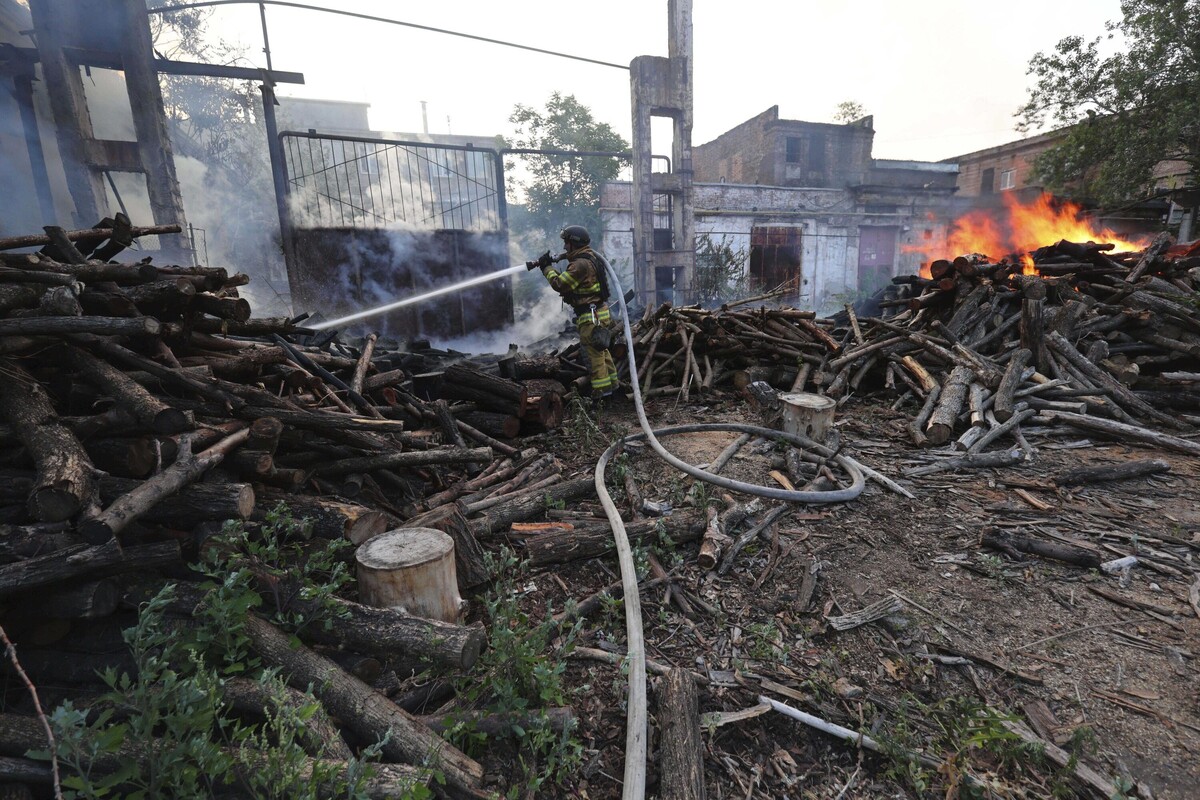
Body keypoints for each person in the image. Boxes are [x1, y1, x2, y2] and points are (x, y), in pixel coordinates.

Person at [527, 225, 620, 400]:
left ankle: (602, 396)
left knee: (593, 356)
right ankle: (614, 388)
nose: (564, 246)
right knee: (602, 352)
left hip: (590, 317)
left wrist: (546, 268)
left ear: (573, 243)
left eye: (566, 243)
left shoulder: (580, 264)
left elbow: (560, 284)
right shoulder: (590, 257)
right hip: (600, 313)